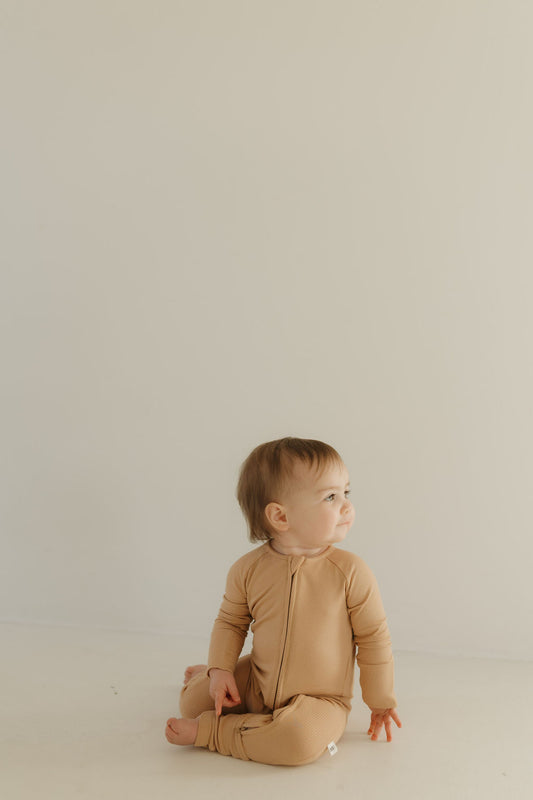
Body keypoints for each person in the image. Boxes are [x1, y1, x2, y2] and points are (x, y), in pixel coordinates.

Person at [165, 437, 401, 765]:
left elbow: (374, 638)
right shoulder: (248, 569)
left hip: (322, 700)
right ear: (280, 516)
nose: (346, 506)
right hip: (258, 685)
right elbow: (231, 622)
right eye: (331, 497)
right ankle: (208, 678)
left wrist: (381, 700)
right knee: (191, 703)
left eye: (346, 493)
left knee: (297, 743)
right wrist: (221, 670)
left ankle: (214, 733)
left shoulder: (351, 572)